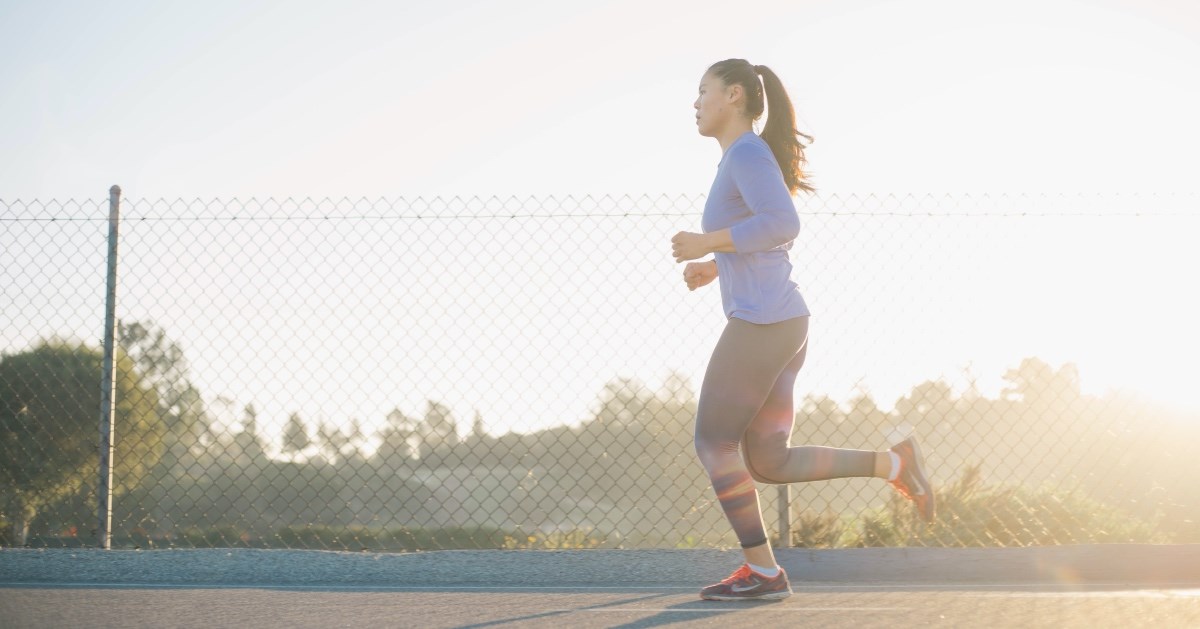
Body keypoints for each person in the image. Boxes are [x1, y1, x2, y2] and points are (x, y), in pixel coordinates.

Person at [671, 58, 935, 602]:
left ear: (736, 96)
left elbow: (783, 224)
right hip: (783, 322)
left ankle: (764, 573)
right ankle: (896, 463)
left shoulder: (745, 152)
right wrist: (715, 266)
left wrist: (707, 242)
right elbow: (766, 235)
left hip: (765, 324)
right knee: (768, 460)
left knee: (713, 441)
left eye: (703, 91)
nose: (695, 103)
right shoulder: (740, 158)